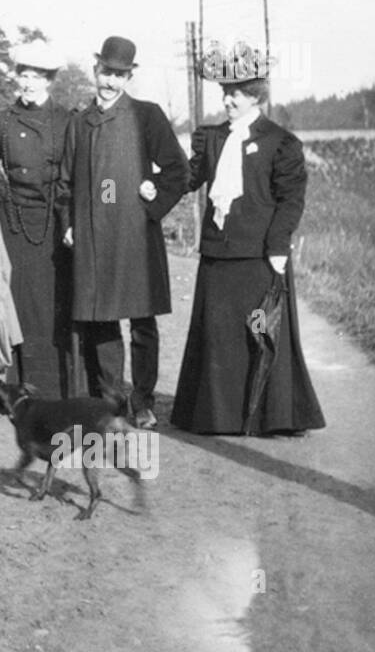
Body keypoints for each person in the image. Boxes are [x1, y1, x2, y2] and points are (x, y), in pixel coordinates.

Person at [171, 43, 326, 436]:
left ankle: (271, 418)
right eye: (224, 92)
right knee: (218, 337)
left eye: (235, 94)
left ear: (255, 96)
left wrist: (277, 247)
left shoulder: (280, 142)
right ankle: (217, 417)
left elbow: (291, 200)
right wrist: (154, 185)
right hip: (218, 255)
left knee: (261, 333)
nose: (226, 100)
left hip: (259, 256)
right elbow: (188, 180)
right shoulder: (211, 138)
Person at [60, 36, 188, 429]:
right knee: (103, 320)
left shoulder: (146, 115)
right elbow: (64, 183)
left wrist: (151, 207)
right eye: (106, 73)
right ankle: (113, 400)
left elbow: (177, 171)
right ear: (95, 68)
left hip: (135, 236)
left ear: (129, 76)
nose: (110, 82)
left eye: (119, 75)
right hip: (93, 239)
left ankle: (144, 400)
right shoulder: (79, 122)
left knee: (142, 320)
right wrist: (68, 224)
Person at [0, 42, 75, 397]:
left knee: (49, 304)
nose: (29, 82)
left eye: (37, 76)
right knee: (13, 300)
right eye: (24, 74)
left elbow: (75, 175)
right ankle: (13, 387)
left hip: (52, 222)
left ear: (49, 80)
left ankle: (51, 385)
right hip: (13, 220)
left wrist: (70, 221)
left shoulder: (67, 121)